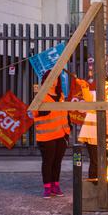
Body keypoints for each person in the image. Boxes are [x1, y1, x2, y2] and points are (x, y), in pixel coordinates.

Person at [32, 70, 71, 199]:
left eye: (56, 78)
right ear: (45, 80)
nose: (54, 81)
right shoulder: (41, 95)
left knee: (57, 162)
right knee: (48, 162)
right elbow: (34, 113)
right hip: (46, 135)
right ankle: (47, 187)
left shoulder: (60, 95)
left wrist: (68, 130)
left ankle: (56, 185)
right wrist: (44, 111)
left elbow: (64, 113)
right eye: (51, 78)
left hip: (61, 133)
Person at [76, 76, 108, 179]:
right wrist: (84, 87)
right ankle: (94, 184)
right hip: (95, 135)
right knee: (95, 161)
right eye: (102, 84)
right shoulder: (93, 95)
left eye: (107, 84)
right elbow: (87, 100)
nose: (105, 87)